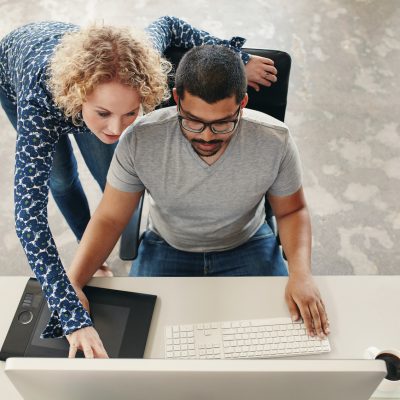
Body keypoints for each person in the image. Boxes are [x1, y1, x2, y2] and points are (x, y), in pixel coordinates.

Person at [0, 17, 278, 344]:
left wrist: (237, 59)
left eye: (131, 113)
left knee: (112, 179)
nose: (117, 129)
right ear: (80, 97)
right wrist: (69, 309)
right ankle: (96, 258)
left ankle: (96, 244)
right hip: (21, 74)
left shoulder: (137, 59)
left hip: (83, 75)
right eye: (103, 113)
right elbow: (29, 219)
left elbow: (170, 24)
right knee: (60, 179)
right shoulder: (39, 106)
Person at [67, 45, 330, 359]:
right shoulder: (139, 140)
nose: (207, 137)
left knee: (283, 346)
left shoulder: (276, 140)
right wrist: (72, 284)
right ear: (177, 99)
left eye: (222, 123)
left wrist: (301, 273)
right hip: (167, 244)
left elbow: (293, 210)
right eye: (193, 122)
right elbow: (110, 218)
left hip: (247, 243)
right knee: (143, 353)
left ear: (242, 103)